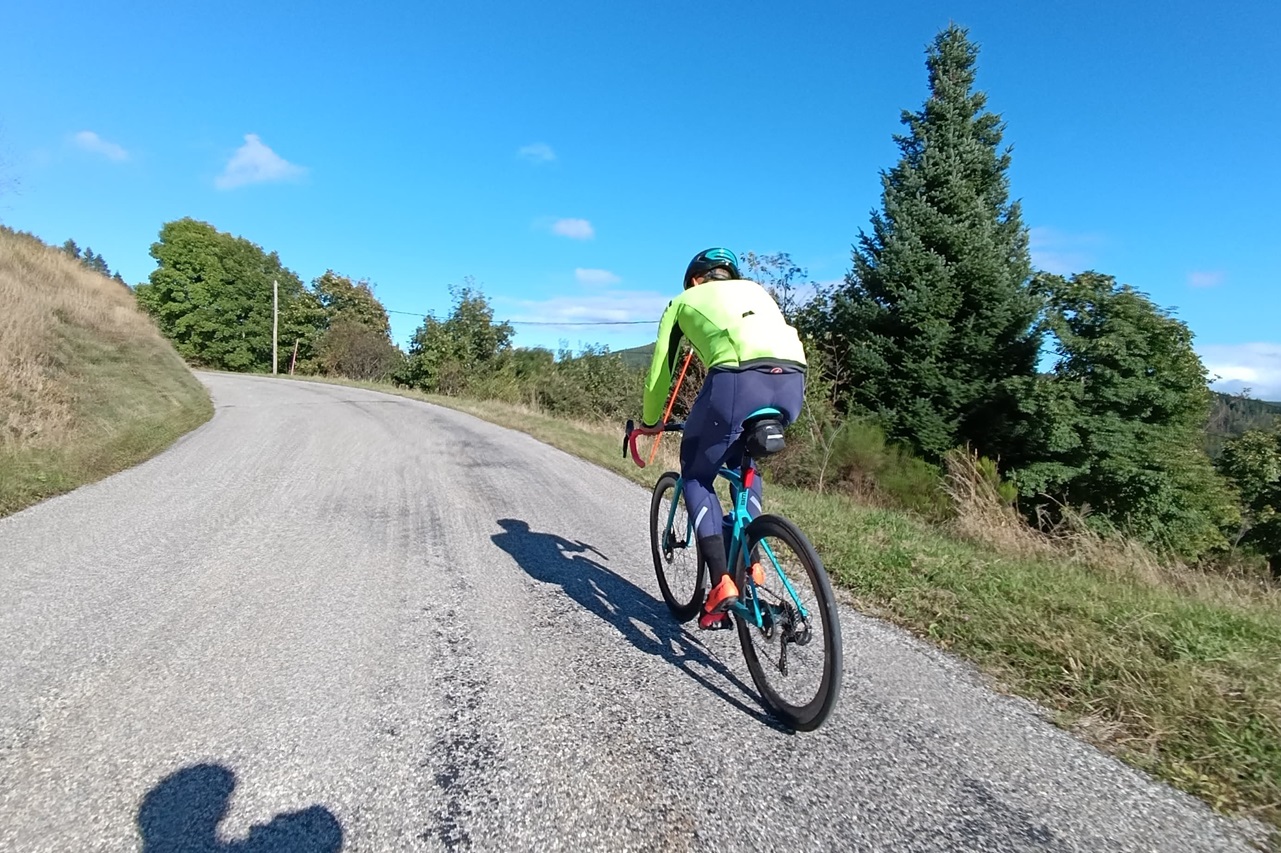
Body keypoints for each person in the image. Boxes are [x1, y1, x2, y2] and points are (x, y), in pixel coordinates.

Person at [642, 248, 807, 629]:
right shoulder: (757, 292)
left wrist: (651, 421)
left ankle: (721, 582)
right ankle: (750, 552)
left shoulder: (684, 300)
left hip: (736, 381)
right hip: (793, 380)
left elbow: (659, 371)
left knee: (697, 474)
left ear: (696, 280)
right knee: (742, 462)